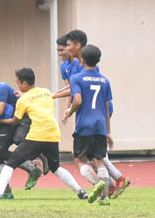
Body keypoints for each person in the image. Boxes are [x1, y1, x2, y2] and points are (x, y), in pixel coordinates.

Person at [0, 67, 95, 201]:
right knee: (56, 167)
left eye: (18, 83)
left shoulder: (23, 100)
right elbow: (36, 100)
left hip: (36, 136)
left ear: (24, 84)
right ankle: (81, 192)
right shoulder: (46, 92)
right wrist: (24, 96)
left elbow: (15, 121)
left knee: (10, 164)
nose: (17, 85)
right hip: (53, 135)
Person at [53, 29, 130, 199]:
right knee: (98, 157)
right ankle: (109, 187)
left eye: (67, 45)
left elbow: (77, 95)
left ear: (78, 46)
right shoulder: (101, 78)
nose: (64, 49)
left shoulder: (80, 71)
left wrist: (60, 102)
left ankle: (113, 181)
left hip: (89, 116)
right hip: (101, 117)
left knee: (85, 158)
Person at [61, 45, 115, 205]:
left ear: (82, 60)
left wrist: (68, 112)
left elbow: (77, 100)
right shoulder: (105, 81)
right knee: (99, 160)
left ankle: (96, 183)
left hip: (85, 125)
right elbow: (107, 107)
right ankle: (104, 198)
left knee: (80, 160)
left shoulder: (77, 78)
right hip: (100, 126)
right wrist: (109, 131)